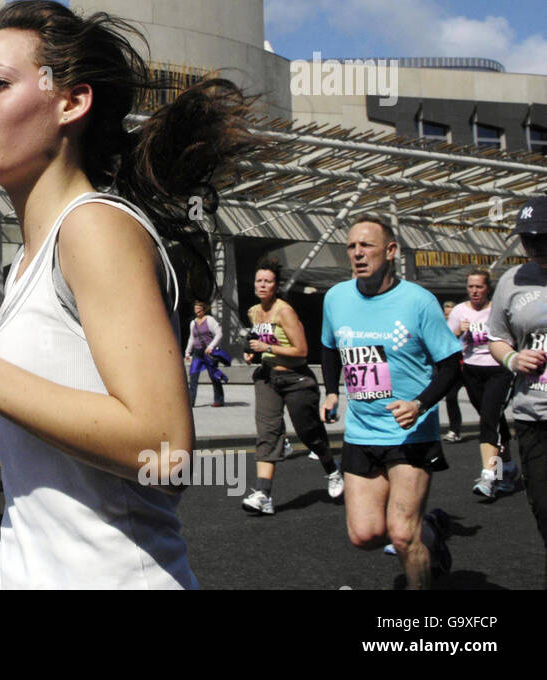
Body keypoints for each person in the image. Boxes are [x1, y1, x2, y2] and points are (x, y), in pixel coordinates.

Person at [0, 0, 260, 588]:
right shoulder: (28, 261)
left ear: (71, 101)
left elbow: (164, 453)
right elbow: (72, 383)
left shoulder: (95, 227)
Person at [319, 216, 462, 589]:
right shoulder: (336, 297)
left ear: (391, 251)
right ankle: (430, 530)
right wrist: (331, 389)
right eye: (351, 246)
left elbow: (450, 366)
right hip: (362, 432)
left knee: (402, 536)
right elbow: (329, 347)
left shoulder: (419, 302)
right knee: (364, 536)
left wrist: (419, 403)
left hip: (410, 433)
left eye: (366, 245)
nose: (357, 253)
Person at [239, 258, 342, 515]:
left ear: (276, 286)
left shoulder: (284, 311)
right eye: (259, 281)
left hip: (296, 378)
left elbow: (302, 351)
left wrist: (268, 348)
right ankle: (263, 494)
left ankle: (333, 470)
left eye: (268, 281)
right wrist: (252, 354)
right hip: (267, 378)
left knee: (309, 433)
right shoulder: (253, 312)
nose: (262, 285)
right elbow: (257, 340)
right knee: (267, 433)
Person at [486, 195, 547, 585]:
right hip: (534, 416)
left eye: (542, 237)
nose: (534, 246)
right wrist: (513, 360)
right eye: (527, 239)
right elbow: (497, 338)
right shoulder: (511, 281)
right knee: (544, 508)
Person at [449, 269, 519, 498]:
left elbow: (513, 337)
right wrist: (460, 331)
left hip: (498, 370)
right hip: (471, 371)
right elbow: (446, 341)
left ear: (488, 288)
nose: (474, 291)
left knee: (489, 419)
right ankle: (506, 468)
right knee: (494, 422)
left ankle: (488, 476)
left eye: (479, 286)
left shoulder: (497, 310)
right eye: (470, 287)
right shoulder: (459, 311)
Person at [184, 300, 227, 407]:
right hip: (197, 353)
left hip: (208, 352)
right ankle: (191, 401)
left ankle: (219, 400)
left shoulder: (210, 320)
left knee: (213, 376)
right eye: (195, 309)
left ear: (203, 310)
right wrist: (187, 352)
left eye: (199, 309)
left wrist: (211, 346)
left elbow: (219, 334)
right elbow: (191, 338)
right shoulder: (193, 323)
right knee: (193, 376)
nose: (197, 311)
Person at [440, 300, 465, 442]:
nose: (449, 313)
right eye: (446, 310)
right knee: (451, 397)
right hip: (453, 366)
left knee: (479, 398)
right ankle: (454, 430)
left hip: (468, 364)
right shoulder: (441, 326)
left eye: (451, 310)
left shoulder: (464, 323)